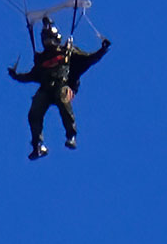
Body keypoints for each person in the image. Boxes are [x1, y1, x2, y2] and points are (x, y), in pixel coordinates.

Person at [7, 19, 110, 157]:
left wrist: (102, 50)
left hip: (62, 85)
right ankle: (38, 145)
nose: (48, 42)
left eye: (50, 38)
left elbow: (88, 59)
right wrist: (16, 76)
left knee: (63, 100)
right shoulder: (41, 59)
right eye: (46, 39)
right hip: (46, 89)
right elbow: (31, 76)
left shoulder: (67, 52)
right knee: (34, 112)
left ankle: (71, 135)